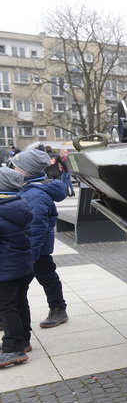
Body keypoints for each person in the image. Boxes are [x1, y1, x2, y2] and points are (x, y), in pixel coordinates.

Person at [11, 148, 69, 329]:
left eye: (16, 167)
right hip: (26, 247)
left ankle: (58, 309)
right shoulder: (27, 188)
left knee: (39, 278)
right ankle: (9, 315)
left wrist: (31, 255)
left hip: (33, 249)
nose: (13, 170)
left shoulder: (35, 194)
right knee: (36, 278)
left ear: (26, 171)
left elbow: (36, 228)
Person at [0, 167, 34, 368]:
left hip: (5, 269)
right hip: (21, 265)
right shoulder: (18, 204)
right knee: (20, 302)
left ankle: (13, 348)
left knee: (6, 307)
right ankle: (24, 340)